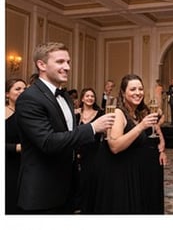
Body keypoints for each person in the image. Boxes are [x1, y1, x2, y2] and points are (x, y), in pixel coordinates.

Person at [15, 42, 115, 213]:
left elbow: (69, 136)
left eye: (68, 62)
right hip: (43, 190)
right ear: (42, 65)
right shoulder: (29, 98)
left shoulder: (66, 97)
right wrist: (92, 128)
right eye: (60, 62)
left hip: (68, 186)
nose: (67, 67)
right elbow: (47, 142)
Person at [93, 74, 166, 213]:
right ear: (123, 92)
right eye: (133, 89)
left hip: (135, 172)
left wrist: (161, 149)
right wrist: (141, 126)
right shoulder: (119, 113)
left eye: (140, 89)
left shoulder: (138, 113)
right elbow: (115, 147)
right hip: (120, 176)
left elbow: (154, 131)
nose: (138, 93)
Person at [74, 87, 104, 213]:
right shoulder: (75, 114)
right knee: (77, 180)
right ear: (82, 98)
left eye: (92, 96)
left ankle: (89, 207)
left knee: (90, 180)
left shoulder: (100, 114)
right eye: (87, 96)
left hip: (93, 152)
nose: (90, 98)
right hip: (76, 151)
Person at [5, 78, 27, 214]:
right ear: (7, 94)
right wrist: (16, 148)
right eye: (17, 89)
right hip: (8, 165)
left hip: (26, 164)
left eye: (24, 89)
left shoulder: (27, 113)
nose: (22, 92)